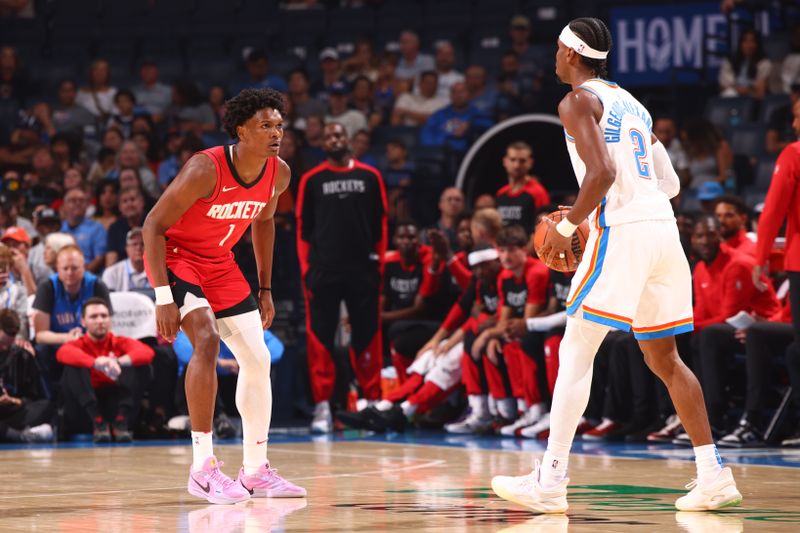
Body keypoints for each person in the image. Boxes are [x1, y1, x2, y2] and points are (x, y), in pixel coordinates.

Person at [491, 17, 741, 513]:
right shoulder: (634, 103)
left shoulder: (576, 101)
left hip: (622, 231)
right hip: (664, 230)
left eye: (558, 49)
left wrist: (569, 226)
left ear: (570, 54)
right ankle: (713, 474)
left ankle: (550, 481)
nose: (554, 57)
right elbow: (669, 183)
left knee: (576, 349)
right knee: (665, 359)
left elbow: (602, 172)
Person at [143, 88, 304, 503]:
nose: (276, 133)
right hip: (176, 258)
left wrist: (265, 288)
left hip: (219, 262)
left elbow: (264, 224)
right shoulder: (205, 168)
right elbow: (152, 227)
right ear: (241, 130)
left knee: (258, 357)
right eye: (265, 125)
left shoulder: (278, 173)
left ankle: (255, 471)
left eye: (279, 126)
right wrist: (163, 296)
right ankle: (202, 468)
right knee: (207, 339)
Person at [295, 122, 388, 434]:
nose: (335, 139)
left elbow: (381, 223)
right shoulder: (312, 180)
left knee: (368, 335)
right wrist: (307, 270)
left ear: (348, 139)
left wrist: (379, 267)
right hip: (324, 272)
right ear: (323, 143)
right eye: (328, 136)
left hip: (363, 270)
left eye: (339, 134)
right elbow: (302, 230)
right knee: (319, 338)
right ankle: (323, 406)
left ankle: (370, 402)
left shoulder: (370, 176)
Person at [57, 297, 154, 442]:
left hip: (117, 408)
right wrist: (96, 363)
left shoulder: (119, 342)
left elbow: (147, 352)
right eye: (93, 317)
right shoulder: (79, 344)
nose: (100, 320)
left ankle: (121, 422)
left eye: (104, 316)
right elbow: (62, 353)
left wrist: (117, 362)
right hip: (86, 412)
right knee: (72, 367)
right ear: (83, 322)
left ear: (110, 319)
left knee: (140, 365)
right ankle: (98, 422)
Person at [31, 245, 112, 394]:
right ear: (57, 268)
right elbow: (40, 335)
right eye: (65, 268)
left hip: (90, 342)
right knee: (40, 350)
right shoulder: (47, 287)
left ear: (84, 267)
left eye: (74, 268)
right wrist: (67, 338)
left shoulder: (97, 285)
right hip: (57, 344)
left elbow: (107, 326)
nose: (70, 273)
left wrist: (85, 339)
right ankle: (49, 400)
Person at [0, 309, 53, 443]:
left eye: (9, 344)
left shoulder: (21, 355)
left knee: (46, 406)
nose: (5, 348)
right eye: (1, 344)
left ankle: (9, 433)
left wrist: (16, 401)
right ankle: (22, 436)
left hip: (11, 411)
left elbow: (33, 397)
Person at [495, 141, 551, 233]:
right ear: (505, 161)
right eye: (513, 160)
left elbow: (544, 227)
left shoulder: (538, 192)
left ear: (530, 162)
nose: (516, 165)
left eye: (522, 161)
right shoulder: (501, 193)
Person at [60, 187, 107, 274]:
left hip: (90, 277)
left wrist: (79, 274)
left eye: (81, 201)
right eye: (73, 201)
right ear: (64, 206)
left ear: (87, 205)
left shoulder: (97, 228)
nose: (78, 203)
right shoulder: (59, 229)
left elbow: (99, 258)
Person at [718, 29, 772, 100]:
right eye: (745, 41)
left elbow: (760, 92)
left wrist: (738, 89)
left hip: (754, 101)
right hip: (733, 99)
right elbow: (724, 87)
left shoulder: (764, 63)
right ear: (740, 44)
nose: (748, 45)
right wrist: (749, 89)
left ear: (757, 44)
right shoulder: (730, 61)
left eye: (752, 41)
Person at [106, 186, 147, 267]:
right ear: (120, 207)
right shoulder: (114, 228)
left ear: (142, 202)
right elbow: (111, 261)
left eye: (132, 199)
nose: (129, 204)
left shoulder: (153, 223)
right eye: (125, 201)